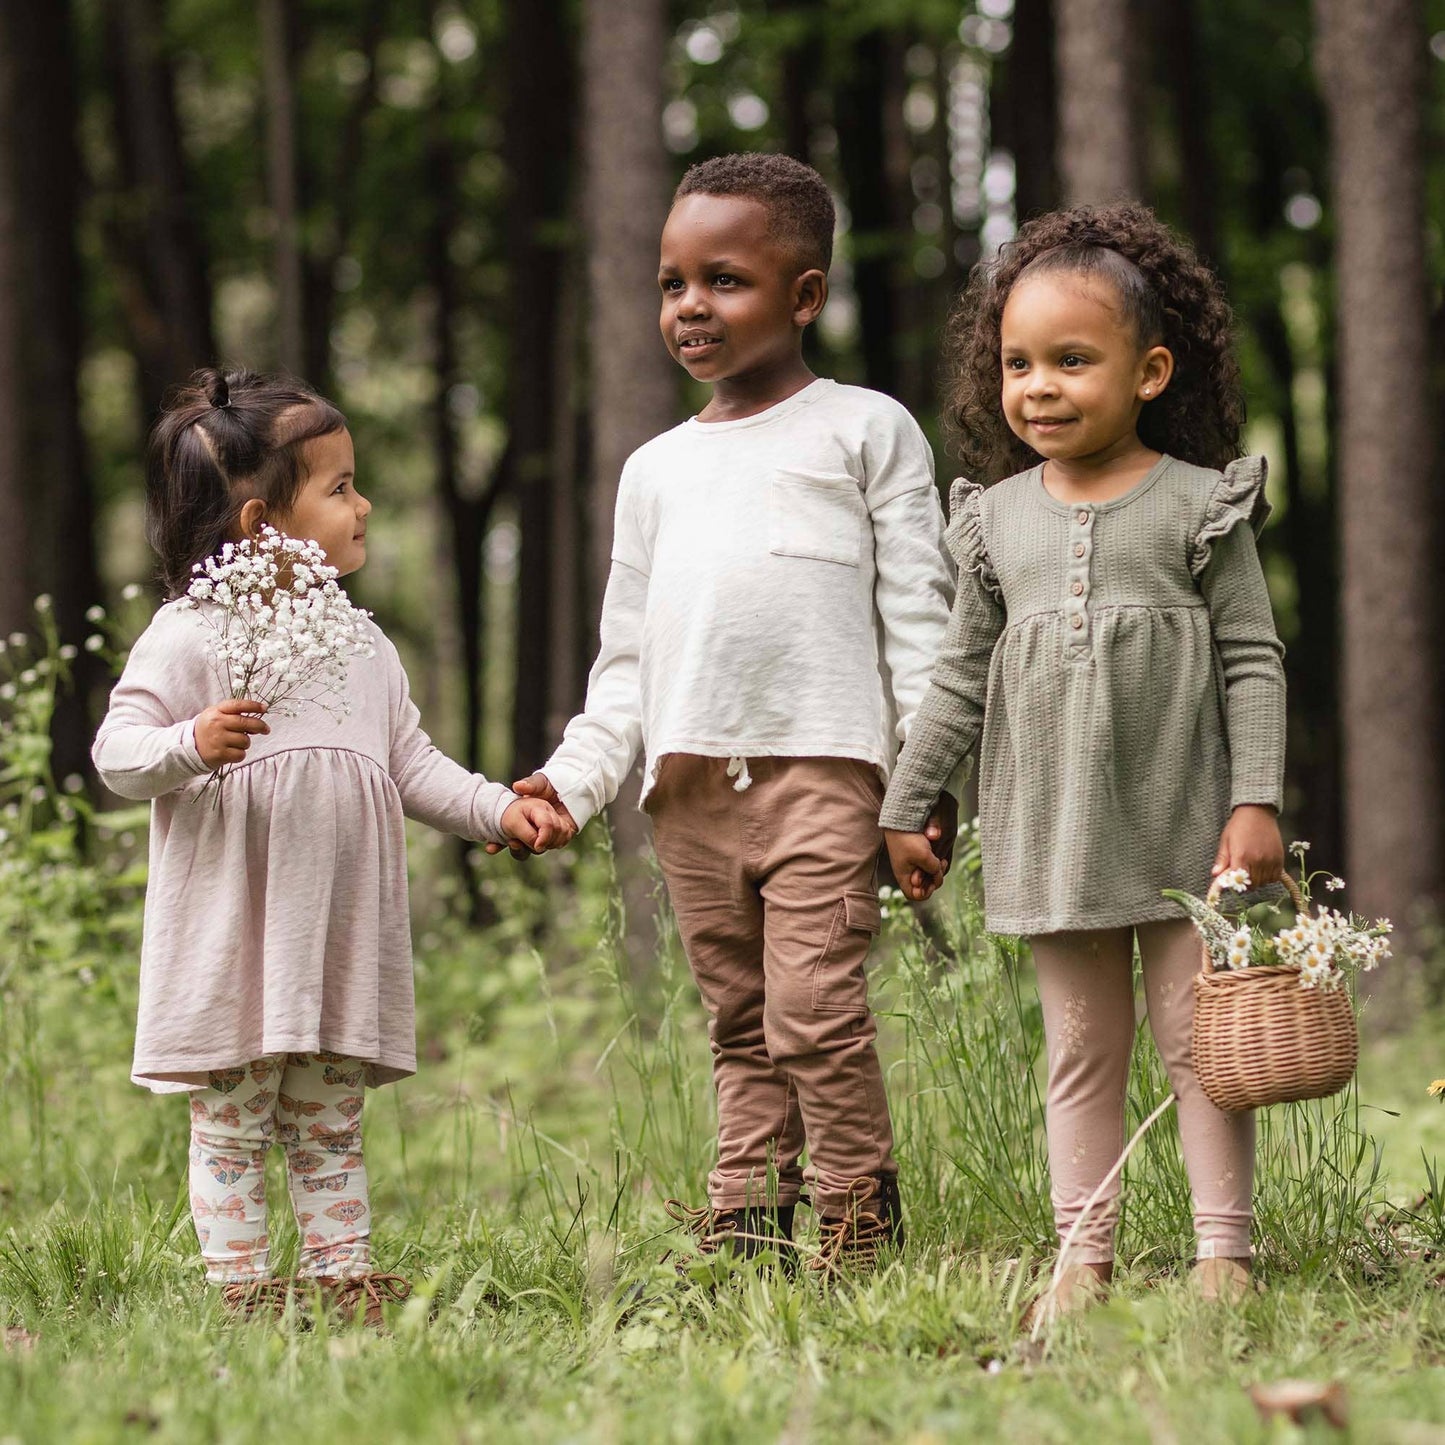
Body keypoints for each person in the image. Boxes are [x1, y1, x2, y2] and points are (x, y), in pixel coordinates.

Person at [510, 154, 957, 1272]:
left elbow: (918, 619)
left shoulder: (865, 428)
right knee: (741, 1018)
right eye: (672, 284)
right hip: (689, 791)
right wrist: (573, 778)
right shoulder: (654, 469)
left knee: (813, 1005)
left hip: (826, 773)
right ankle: (747, 1218)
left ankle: (854, 1215)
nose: (690, 307)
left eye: (724, 281)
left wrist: (921, 785)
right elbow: (627, 660)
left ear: (804, 295)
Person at [880, 204, 1286, 1315]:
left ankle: (1222, 1255)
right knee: (1078, 1049)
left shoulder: (1199, 504)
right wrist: (907, 802)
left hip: (1184, 823)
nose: (1039, 388)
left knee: (1198, 1045)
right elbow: (957, 678)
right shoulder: (996, 520)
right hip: (1052, 831)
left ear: (1148, 372)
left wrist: (1254, 799)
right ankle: (1081, 1257)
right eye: (1018, 364)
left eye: (1071, 360)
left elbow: (1252, 657)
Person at [92, 368, 558, 1324]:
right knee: (232, 1123)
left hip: (336, 941)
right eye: (340, 487)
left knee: (329, 1121)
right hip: (237, 941)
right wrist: (191, 742)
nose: (364, 504)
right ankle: (242, 1289)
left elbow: (410, 760)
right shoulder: (192, 632)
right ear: (262, 525)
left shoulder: (361, 644)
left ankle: (343, 1279)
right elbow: (117, 754)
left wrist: (494, 812)